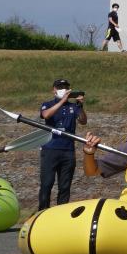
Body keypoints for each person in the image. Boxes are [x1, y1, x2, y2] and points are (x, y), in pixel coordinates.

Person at [36, 78, 87, 209]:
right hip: (50, 149)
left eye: (64, 87)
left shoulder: (73, 107)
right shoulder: (47, 104)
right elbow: (46, 115)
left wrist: (80, 105)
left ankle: (60, 213)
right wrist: (62, 101)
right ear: (53, 90)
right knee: (47, 183)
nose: (62, 90)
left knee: (65, 186)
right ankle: (42, 212)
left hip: (67, 151)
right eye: (59, 87)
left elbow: (83, 121)